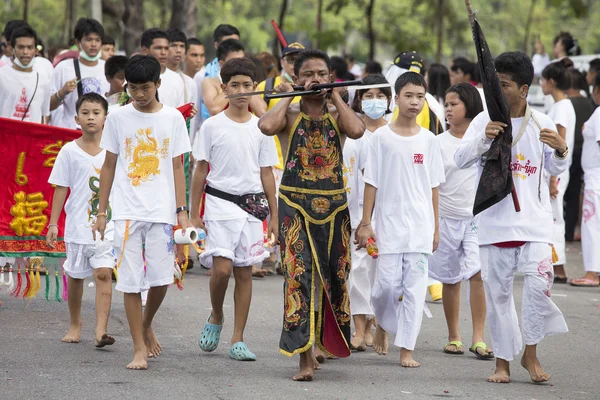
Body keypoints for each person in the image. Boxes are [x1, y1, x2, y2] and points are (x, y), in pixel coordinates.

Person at [454, 51, 569, 384]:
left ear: (523, 89)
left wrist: (561, 149)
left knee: (538, 287)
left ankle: (530, 355)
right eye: (493, 83)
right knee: (499, 296)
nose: (496, 89)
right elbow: (459, 159)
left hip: (534, 225)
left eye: (502, 84)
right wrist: (482, 138)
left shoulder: (541, 122)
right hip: (492, 224)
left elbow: (555, 167)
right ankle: (502, 362)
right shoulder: (483, 121)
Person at [258, 49, 365, 381]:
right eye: (308, 74)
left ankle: (321, 342)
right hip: (295, 206)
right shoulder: (288, 114)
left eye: (322, 74)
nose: (315, 80)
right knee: (298, 279)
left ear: (331, 78)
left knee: (333, 277)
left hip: (334, 208)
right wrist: (289, 95)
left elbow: (358, 130)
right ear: (296, 78)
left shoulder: (337, 113)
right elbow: (265, 125)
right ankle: (303, 357)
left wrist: (335, 96)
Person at [93, 54, 193, 370]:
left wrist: (182, 211)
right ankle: (137, 348)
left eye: (145, 88)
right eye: (133, 88)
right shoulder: (119, 118)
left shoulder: (173, 119)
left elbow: (178, 166)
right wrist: (101, 212)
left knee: (162, 278)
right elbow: (108, 165)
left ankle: (147, 323)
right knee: (132, 281)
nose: (138, 94)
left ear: (158, 85)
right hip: (126, 212)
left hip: (163, 212)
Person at [190, 57, 278, 361]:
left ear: (255, 88)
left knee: (244, 272)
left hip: (253, 207)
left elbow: (267, 173)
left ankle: (238, 338)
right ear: (224, 88)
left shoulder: (262, 128)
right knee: (222, 269)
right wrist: (193, 213)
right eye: (234, 85)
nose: (241, 91)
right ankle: (216, 314)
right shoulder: (212, 126)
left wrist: (275, 217)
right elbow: (200, 170)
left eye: (247, 86)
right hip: (219, 203)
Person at [356, 72, 444, 368]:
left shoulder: (430, 140)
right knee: (385, 288)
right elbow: (372, 181)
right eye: (409, 96)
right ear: (396, 99)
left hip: (420, 228)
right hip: (389, 226)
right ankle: (382, 322)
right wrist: (366, 221)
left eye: (420, 96)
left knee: (415, 291)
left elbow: (434, 187)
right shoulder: (381, 138)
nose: (415, 102)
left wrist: (436, 226)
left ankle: (406, 349)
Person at [427, 82, 494, 360]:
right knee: (452, 280)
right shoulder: (437, 143)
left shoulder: (485, 140)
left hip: (476, 219)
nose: (448, 109)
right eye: (447, 104)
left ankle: (478, 338)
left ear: (470, 106)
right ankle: (454, 335)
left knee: (477, 274)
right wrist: (434, 225)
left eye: (454, 103)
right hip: (446, 218)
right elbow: (431, 185)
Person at [46, 92, 116, 347]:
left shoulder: (114, 150)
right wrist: (54, 223)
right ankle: (75, 324)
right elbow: (60, 188)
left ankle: (101, 331)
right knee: (75, 276)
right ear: (76, 118)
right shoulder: (68, 151)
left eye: (96, 113)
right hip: (77, 224)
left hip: (107, 224)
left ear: (105, 118)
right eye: (85, 113)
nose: (91, 118)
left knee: (103, 273)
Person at [345, 74, 392, 351]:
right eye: (368, 96)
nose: (374, 101)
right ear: (359, 100)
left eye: (379, 95)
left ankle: (378, 321)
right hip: (355, 210)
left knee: (381, 271)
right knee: (357, 269)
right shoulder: (352, 131)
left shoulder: (394, 131)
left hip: (387, 211)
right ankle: (359, 328)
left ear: (388, 99)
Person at [540, 59, 576, 283]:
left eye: (543, 80)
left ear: (552, 82)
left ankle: (559, 265)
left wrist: (553, 178)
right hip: (555, 170)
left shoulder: (562, 107)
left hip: (557, 171)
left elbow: (559, 140)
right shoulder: (560, 105)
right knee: (552, 217)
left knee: (555, 218)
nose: (541, 84)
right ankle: (555, 262)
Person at [50, 18, 109, 129]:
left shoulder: (108, 68)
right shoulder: (64, 68)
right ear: (78, 42)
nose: (93, 44)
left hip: (101, 134)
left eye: (97, 40)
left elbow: (118, 101)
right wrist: (62, 92)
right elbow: (48, 106)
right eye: (88, 39)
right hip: (72, 132)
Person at [569, 76, 600, 287]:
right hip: (593, 175)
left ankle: (592, 273)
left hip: (596, 176)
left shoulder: (599, 113)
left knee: (591, 224)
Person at [564, 69, 595, 242]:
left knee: (562, 193)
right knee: (575, 193)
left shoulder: (565, 104)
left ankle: (561, 233)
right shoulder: (589, 104)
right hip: (583, 153)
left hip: (567, 152)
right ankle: (569, 232)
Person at [0, 26, 51, 124]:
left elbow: (44, 116)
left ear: (36, 50)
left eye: (30, 47)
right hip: (5, 137)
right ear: (12, 48)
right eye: (21, 47)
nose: (25, 52)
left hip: (32, 138)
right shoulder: (2, 75)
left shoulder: (43, 81)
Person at [201, 39, 265, 117]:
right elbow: (214, 109)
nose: (239, 65)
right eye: (234, 61)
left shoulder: (250, 83)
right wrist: (231, 85)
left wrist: (246, 86)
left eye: (242, 60)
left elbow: (261, 112)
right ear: (221, 64)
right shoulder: (210, 82)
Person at [140, 28, 184, 108]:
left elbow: (180, 112)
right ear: (145, 50)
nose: (163, 53)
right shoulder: (133, 76)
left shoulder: (176, 79)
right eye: (158, 48)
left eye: (166, 48)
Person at [166, 28, 197, 106]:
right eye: (173, 45)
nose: (178, 50)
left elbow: (192, 114)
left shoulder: (189, 82)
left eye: (182, 46)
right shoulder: (156, 79)